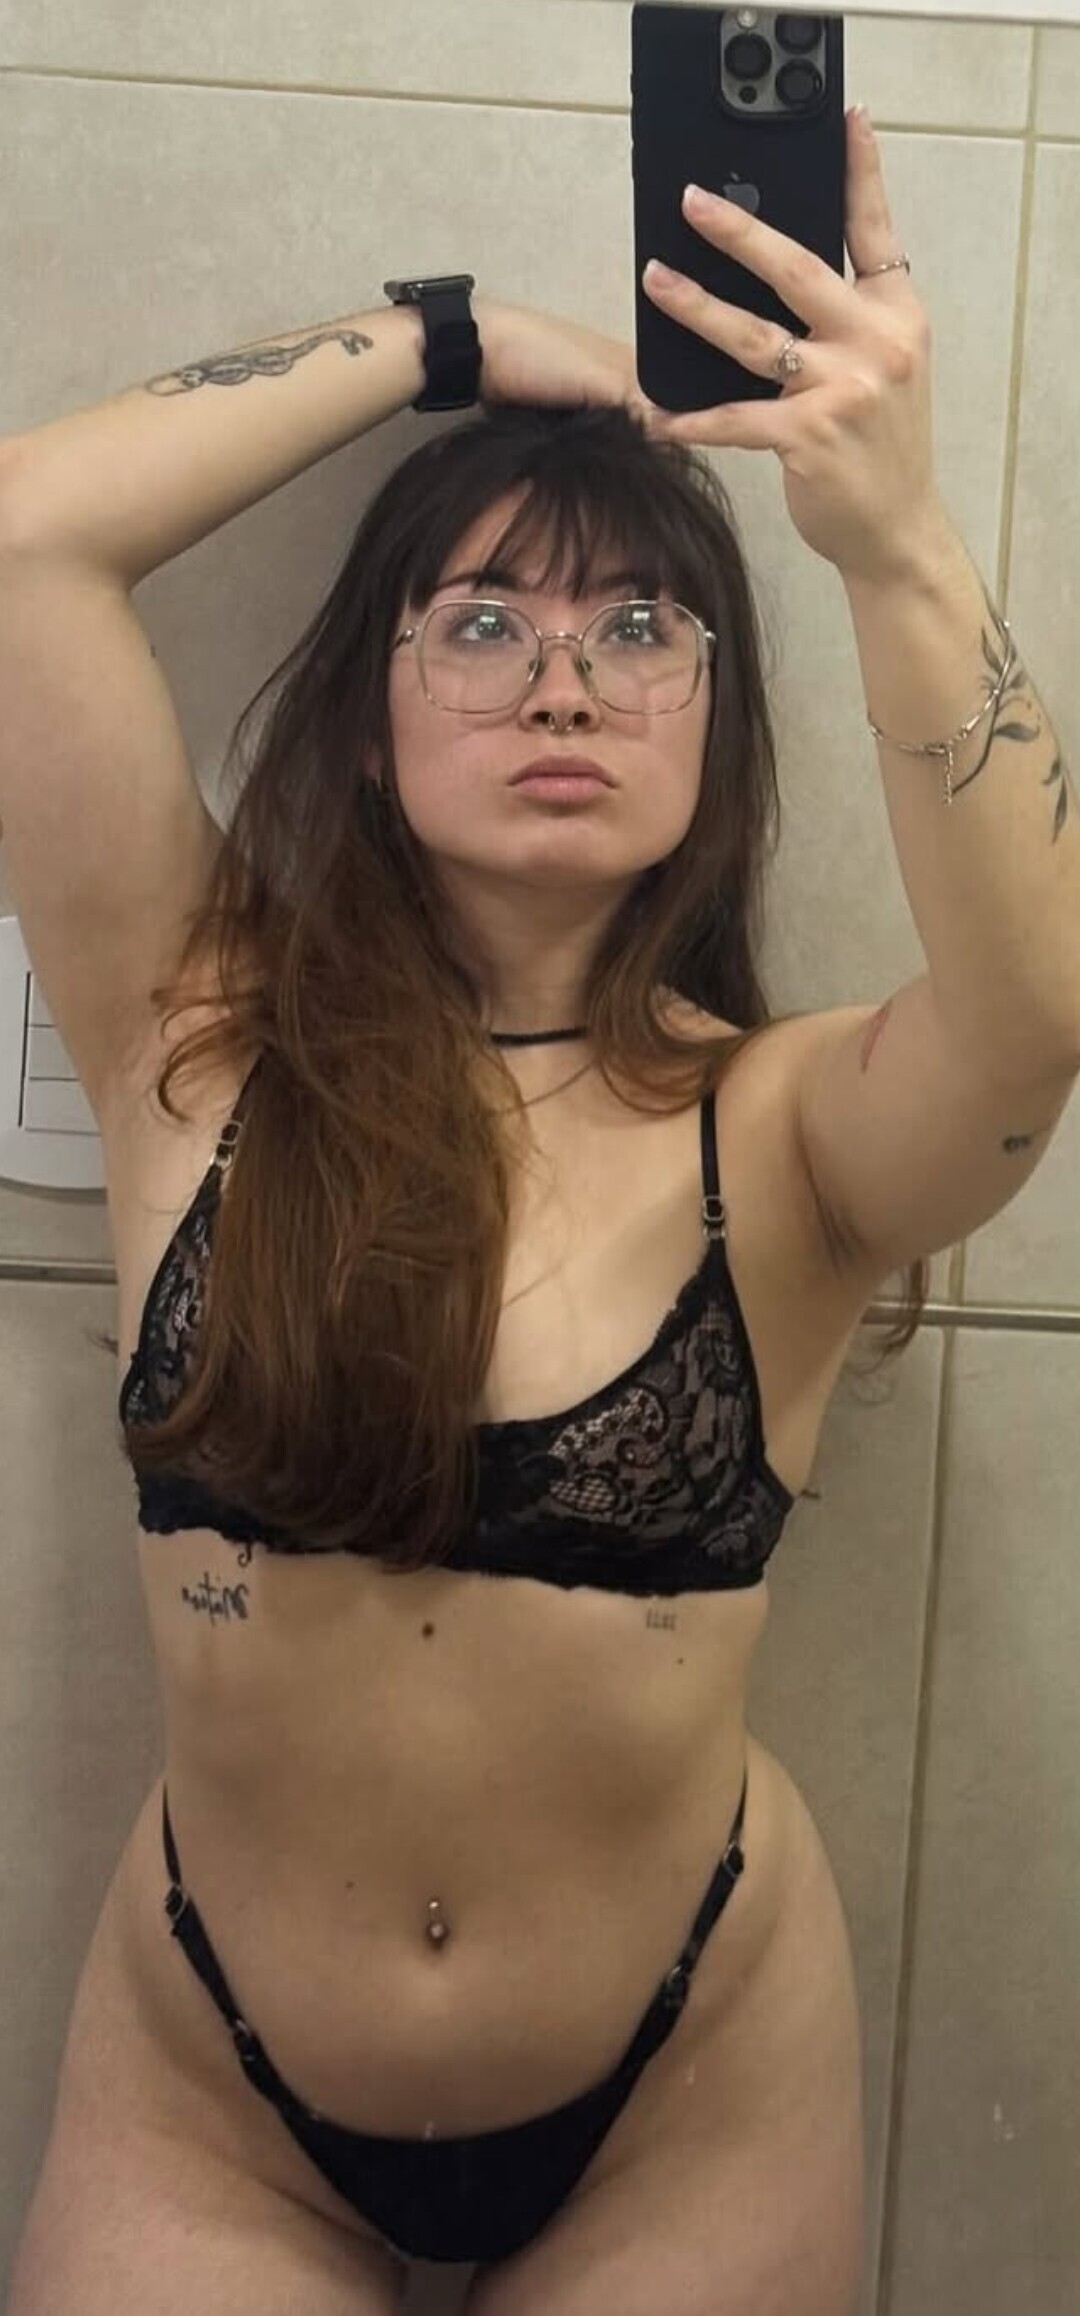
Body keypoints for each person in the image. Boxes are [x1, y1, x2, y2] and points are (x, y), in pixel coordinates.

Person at [5, 111, 1077, 2316]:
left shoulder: (789, 1130)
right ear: (369, 718)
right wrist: (446, 336)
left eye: (641, 625)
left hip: (692, 2082)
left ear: (717, 726)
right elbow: (23, 548)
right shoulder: (195, 1037)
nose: (565, 679)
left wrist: (890, 537)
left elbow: (1039, 1012)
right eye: (481, 622)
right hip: (215, 2084)